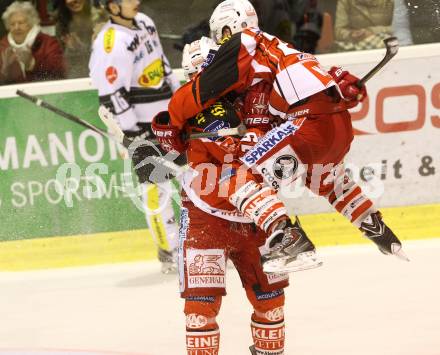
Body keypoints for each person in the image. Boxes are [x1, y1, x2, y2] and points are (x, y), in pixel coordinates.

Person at [152, 0, 408, 275]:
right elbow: (315, 75)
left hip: (308, 124)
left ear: (229, 28)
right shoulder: (275, 48)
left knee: (235, 176)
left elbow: (203, 91)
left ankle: (291, 239)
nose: (222, 45)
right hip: (336, 125)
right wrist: (339, 79)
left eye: (221, 37)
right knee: (324, 178)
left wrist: (173, 122)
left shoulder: (245, 44)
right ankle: (373, 225)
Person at [162, 37, 300, 355]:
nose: (204, 83)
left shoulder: (257, 99)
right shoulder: (190, 110)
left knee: (272, 306)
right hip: (206, 220)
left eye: (207, 72)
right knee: (199, 312)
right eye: (195, 75)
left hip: (255, 221)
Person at [88, 0, 183, 273]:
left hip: (167, 118)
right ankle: (170, 249)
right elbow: (111, 94)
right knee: (157, 187)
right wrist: (132, 131)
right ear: (112, 6)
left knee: (190, 177)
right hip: (141, 124)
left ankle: (197, 242)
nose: (136, 1)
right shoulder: (111, 43)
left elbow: (163, 66)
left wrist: (179, 104)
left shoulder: (145, 22)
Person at [0, 1, 66, 85]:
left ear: (31, 23)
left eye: (21, 23)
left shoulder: (47, 42)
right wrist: (4, 70)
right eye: (12, 24)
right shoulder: (2, 46)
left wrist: (33, 63)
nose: (16, 27)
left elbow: (60, 72)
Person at [55, 0, 107, 78]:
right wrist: (75, 49)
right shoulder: (62, 26)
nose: (74, 1)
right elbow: (67, 64)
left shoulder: (102, 17)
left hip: (104, 76)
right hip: (79, 80)